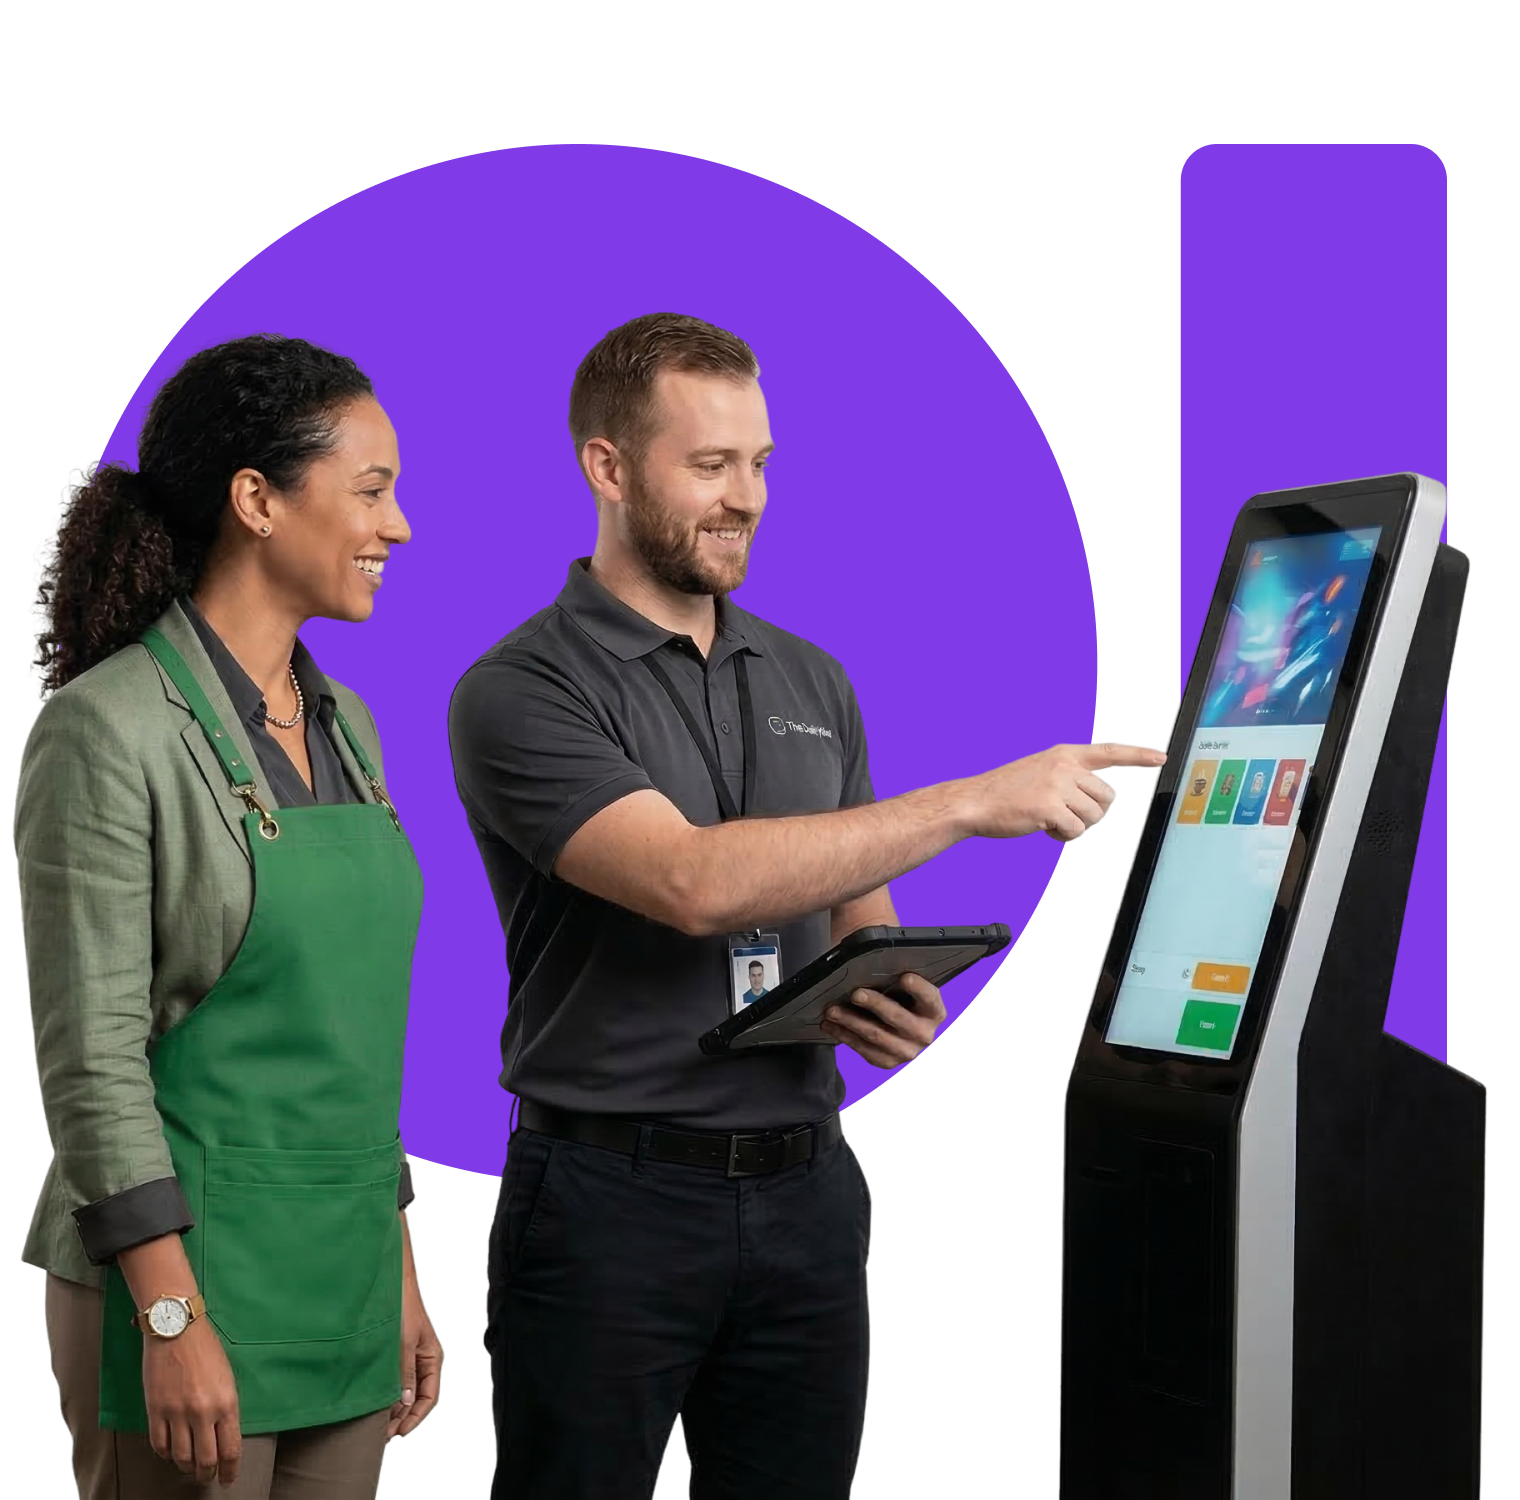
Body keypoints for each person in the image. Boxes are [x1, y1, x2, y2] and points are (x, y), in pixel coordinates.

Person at [445, 311, 1166, 1500]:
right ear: (607, 468)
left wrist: (881, 992)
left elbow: (848, 913)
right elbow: (690, 882)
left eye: (762, 463)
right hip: (607, 1209)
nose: (748, 499)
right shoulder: (517, 690)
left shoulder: (810, 677)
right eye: (710, 465)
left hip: (808, 1198)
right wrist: (976, 802)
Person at [16, 334, 442, 1500]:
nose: (395, 526)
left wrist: (396, 1264)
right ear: (255, 499)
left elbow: (351, 1037)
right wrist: (165, 1313)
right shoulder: (106, 732)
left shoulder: (347, 722)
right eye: (370, 491)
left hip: (340, 1274)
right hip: (178, 1271)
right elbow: (89, 1060)